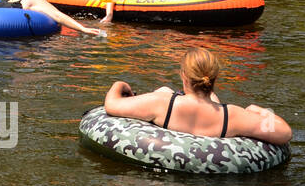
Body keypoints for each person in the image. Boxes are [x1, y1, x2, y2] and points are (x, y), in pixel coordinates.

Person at [103, 48, 291, 145]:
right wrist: (256, 110)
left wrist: (119, 84)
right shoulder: (233, 116)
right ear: (215, 78)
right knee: (210, 101)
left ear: (183, 76)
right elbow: (285, 133)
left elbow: (111, 105)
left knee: (164, 90)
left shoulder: (160, 103)